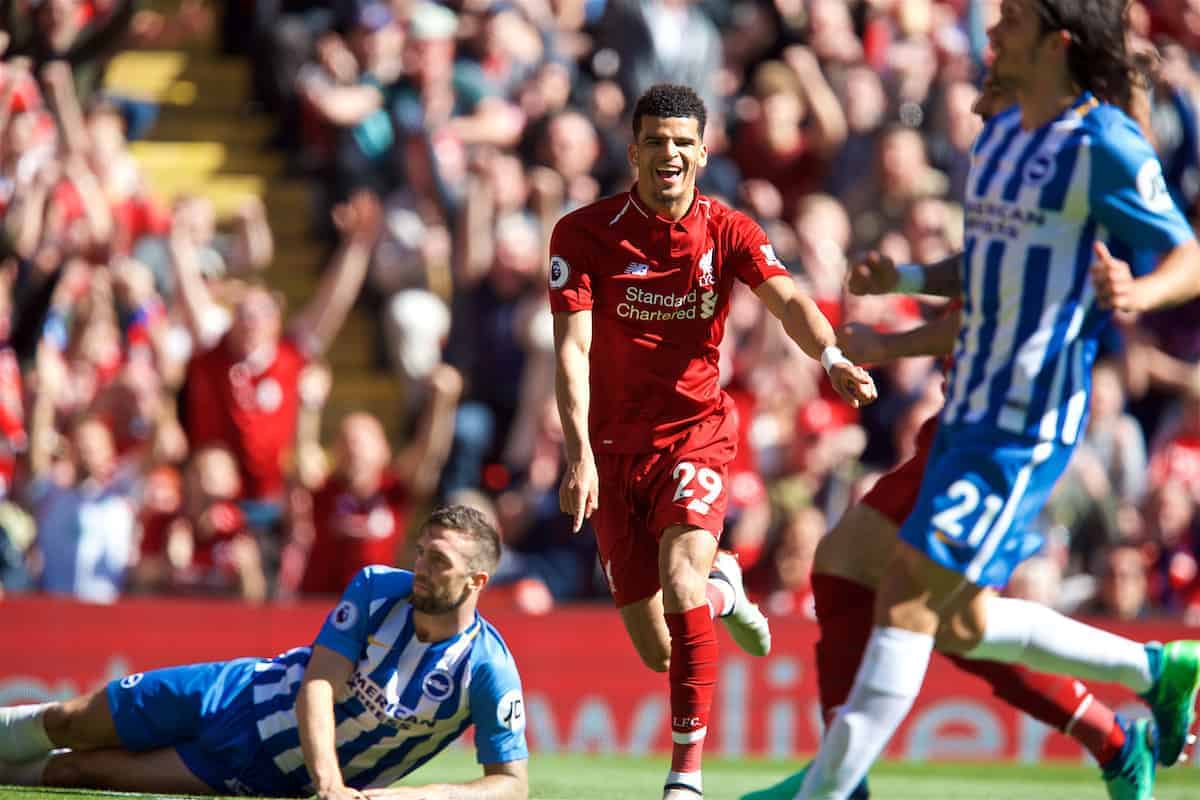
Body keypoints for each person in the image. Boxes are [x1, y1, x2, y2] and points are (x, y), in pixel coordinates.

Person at [783, 1, 1200, 797]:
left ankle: (828, 793)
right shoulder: (1005, 137)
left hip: (1023, 424)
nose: (991, 33)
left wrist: (1138, 292)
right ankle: (1151, 670)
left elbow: (1187, 254)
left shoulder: (1099, 144)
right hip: (967, 406)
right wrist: (904, 285)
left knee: (905, 591)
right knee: (961, 620)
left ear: (1056, 45)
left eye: (1009, 22)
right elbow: (987, 266)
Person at [549, 83, 877, 800]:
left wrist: (830, 358)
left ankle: (685, 778)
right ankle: (725, 594)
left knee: (678, 582)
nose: (668, 153)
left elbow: (789, 299)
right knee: (657, 649)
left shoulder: (727, 229)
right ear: (634, 151)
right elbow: (571, 351)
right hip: (611, 452)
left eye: (681, 141)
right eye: (654, 141)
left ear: (703, 150)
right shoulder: (582, 234)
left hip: (695, 436)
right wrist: (577, 453)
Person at [0, 505, 529, 800]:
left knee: (79, 773)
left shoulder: (487, 669)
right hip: (233, 695)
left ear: (477, 580)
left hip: (268, 776)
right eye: (420, 552)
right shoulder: (376, 588)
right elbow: (320, 683)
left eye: (437, 561)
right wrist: (331, 784)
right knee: (70, 720)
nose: (419, 567)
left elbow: (510, 784)